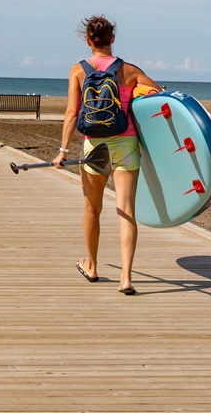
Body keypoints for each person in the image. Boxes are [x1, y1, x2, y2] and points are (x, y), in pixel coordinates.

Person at [53, 15, 160, 296]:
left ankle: (92, 266)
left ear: (88, 41)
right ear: (112, 39)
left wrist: (62, 151)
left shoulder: (78, 70)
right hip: (125, 146)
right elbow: (159, 97)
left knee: (92, 209)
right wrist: (136, 92)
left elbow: (72, 113)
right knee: (126, 211)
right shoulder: (130, 70)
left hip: (94, 148)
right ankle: (126, 277)